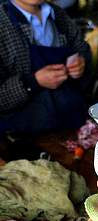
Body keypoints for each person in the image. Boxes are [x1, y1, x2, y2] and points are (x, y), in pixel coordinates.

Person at [0, 0, 92, 135]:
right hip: (25, 138)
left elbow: (81, 48)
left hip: (74, 125)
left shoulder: (57, 14)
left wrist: (81, 62)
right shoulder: (3, 24)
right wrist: (33, 82)